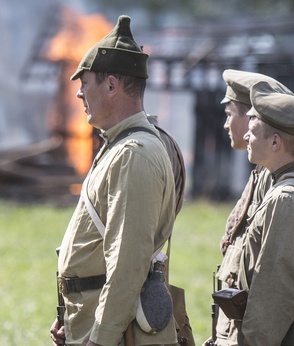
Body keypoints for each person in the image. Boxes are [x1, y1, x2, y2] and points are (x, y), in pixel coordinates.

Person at [50, 16, 178, 346]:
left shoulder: (134, 153)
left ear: (111, 86)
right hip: (96, 319)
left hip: (118, 334)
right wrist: (68, 313)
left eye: (85, 83)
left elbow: (127, 263)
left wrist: (101, 338)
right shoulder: (120, 146)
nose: (78, 94)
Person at [216, 80, 294, 345]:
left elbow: (274, 299)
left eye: (253, 130)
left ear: (275, 141)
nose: (246, 136)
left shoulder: (287, 200)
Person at [210, 70, 294, 345]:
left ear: (251, 120)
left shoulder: (279, 186)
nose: (226, 125)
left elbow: (274, 289)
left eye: (229, 113)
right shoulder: (261, 174)